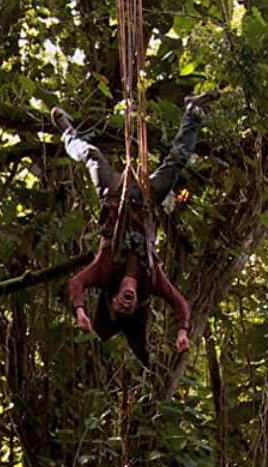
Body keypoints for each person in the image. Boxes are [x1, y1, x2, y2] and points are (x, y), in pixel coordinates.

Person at [53, 93, 216, 367]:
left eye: (117, 309)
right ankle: (192, 110)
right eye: (128, 311)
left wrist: (81, 312)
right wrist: (183, 331)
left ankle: (68, 133)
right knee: (177, 161)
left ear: (112, 299)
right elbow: (181, 305)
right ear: (136, 304)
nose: (124, 307)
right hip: (146, 199)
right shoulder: (151, 280)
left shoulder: (105, 271)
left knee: (92, 156)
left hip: (112, 194)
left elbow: (76, 283)